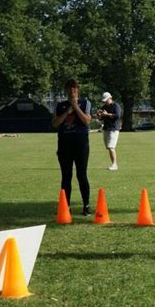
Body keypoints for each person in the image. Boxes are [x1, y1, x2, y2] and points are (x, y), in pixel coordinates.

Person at [52, 79, 92, 215]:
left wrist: (75, 107)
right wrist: (67, 111)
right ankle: (65, 206)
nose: (72, 91)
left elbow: (86, 121)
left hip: (81, 144)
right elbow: (55, 124)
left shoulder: (85, 103)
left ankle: (86, 205)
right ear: (66, 90)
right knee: (66, 176)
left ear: (78, 90)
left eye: (74, 88)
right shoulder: (60, 105)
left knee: (82, 174)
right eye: (69, 88)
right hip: (64, 144)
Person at [97, 92, 122, 170]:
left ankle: (114, 165)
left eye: (106, 100)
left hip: (114, 129)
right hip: (106, 129)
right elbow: (101, 118)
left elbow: (117, 116)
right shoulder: (103, 107)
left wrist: (107, 114)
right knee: (108, 147)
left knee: (111, 146)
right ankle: (113, 164)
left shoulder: (116, 106)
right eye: (104, 101)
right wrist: (99, 115)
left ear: (110, 98)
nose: (105, 102)